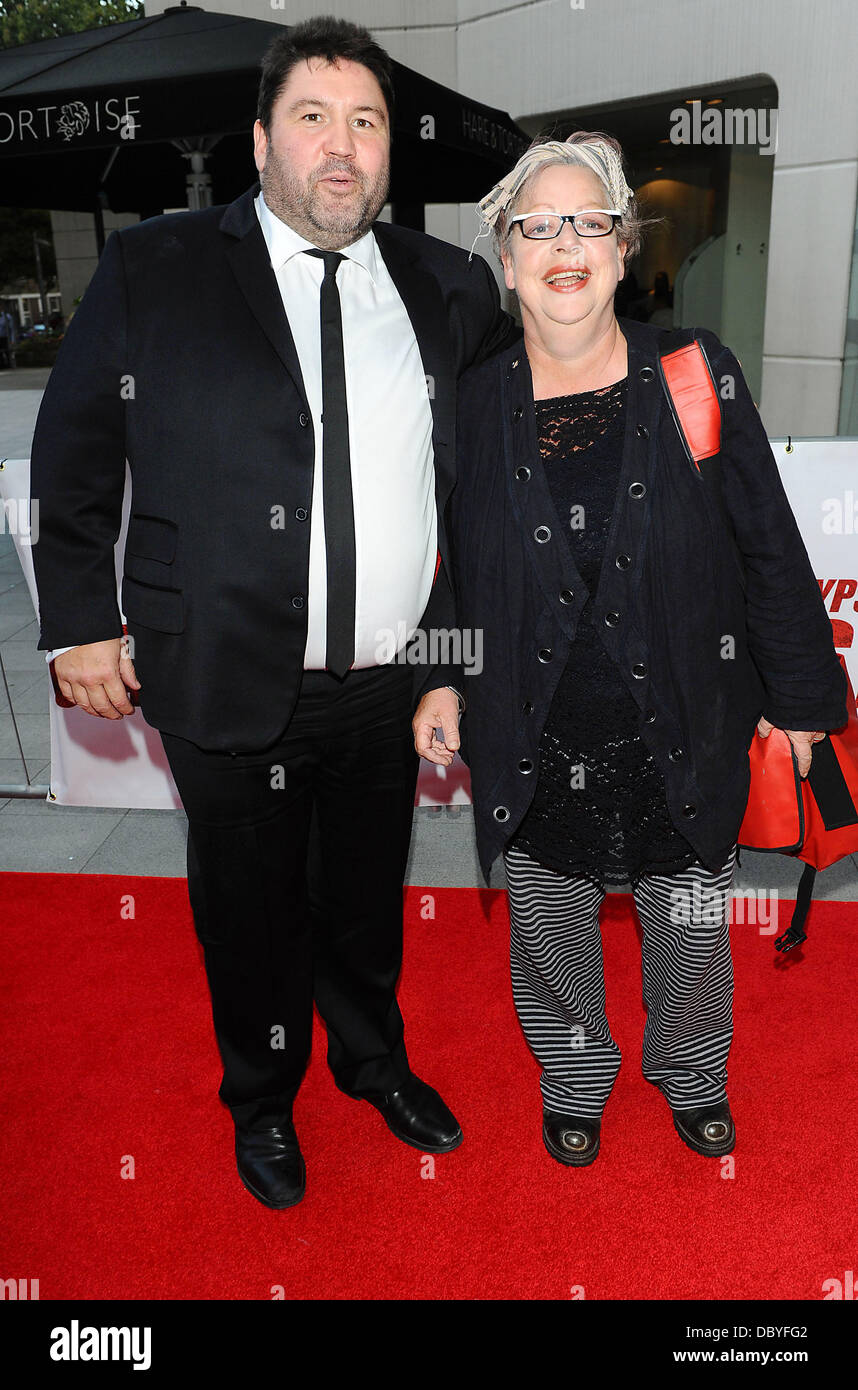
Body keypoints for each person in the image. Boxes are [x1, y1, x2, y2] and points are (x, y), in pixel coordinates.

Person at [30, 16, 517, 1210]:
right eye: (313, 119)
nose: (341, 147)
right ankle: (263, 1097)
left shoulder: (447, 284)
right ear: (260, 142)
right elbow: (77, 448)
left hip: (385, 683)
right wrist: (76, 615)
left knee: (364, 899)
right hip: (223, 670)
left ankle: (371, 1062)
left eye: (365, 122)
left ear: (389, 150)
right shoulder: (159, 266)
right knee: (245, 915)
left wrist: (454, 656)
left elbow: (486, 481)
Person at [414, 132, 847, 1167]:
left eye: (590, 221)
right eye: (538, 226)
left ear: (621, 250)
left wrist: (801, 704)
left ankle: (691, 1071)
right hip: (534, 725)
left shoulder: (699, 373)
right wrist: (439, 667)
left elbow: (770, 551)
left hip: (684, 722)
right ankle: (574, 1076)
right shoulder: (474, 402)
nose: (566, 242)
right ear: (507, 258)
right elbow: (457, 558)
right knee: (551, 929)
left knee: (692, 926)